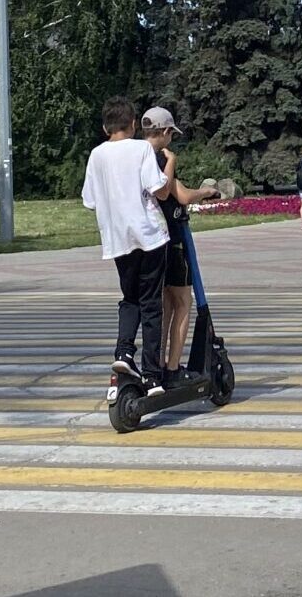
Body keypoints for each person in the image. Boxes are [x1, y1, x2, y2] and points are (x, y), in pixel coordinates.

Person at [82, 97, 170, 395]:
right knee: (151, 304)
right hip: (149, 236)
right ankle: (153, 375)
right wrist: (169, 168)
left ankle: (123, 354)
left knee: (129, 298)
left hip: (118, 240)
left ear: (105, 126)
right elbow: (158, 188)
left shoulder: (96, 155)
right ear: (133, 124)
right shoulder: (142, 148)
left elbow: (90, 201)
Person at [141, 107, 220, 386]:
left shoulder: (135, 154)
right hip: (172, 240)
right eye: (171, 133)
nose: (171, 139)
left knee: (164, 304)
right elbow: (180, 194)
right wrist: (207, 192)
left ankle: (157, 363)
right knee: (183, 302)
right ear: (164, 132)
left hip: (148, 244)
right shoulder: (162, 157)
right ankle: (173, 368)